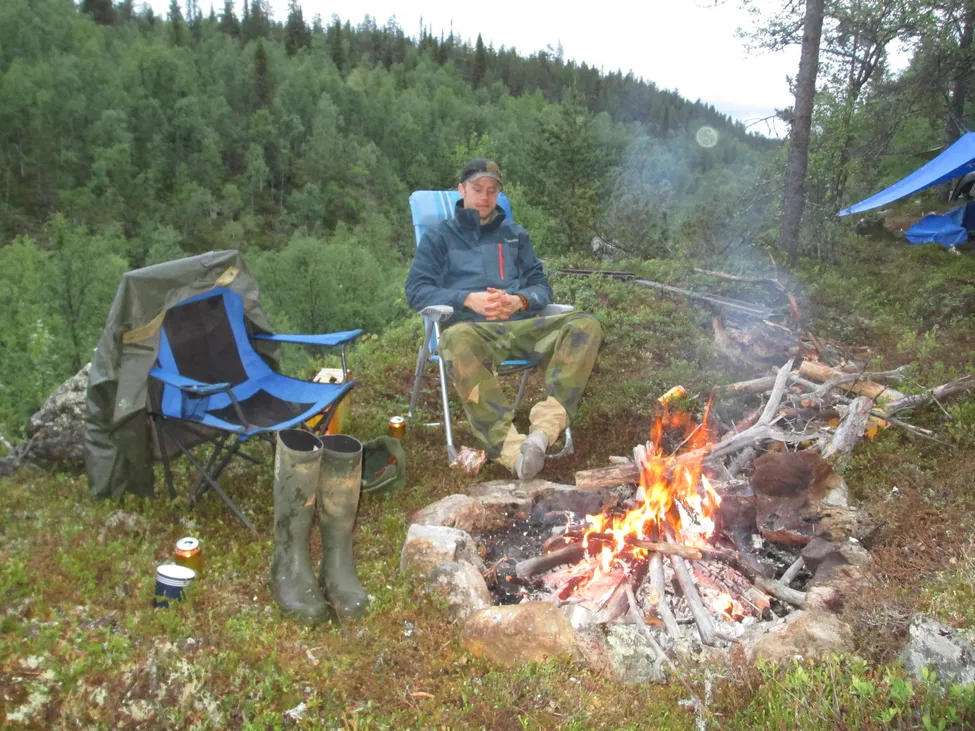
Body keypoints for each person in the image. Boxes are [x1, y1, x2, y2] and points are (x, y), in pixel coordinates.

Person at [405, 158, 602, 479]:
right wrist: (468, 299)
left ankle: (543, 432)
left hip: (520, 327)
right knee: (454, 338)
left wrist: (519, 300)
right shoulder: (440, 237)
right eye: (477, 189)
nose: (485, 197)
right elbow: (416, 291)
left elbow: (541, 286)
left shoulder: (514, 234)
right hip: (472, 333)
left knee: (585, 325)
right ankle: (512, 451)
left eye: (492, 190)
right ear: (461, 190)